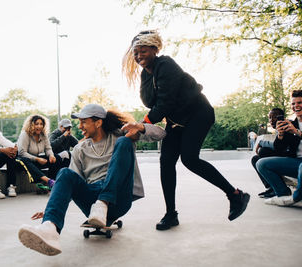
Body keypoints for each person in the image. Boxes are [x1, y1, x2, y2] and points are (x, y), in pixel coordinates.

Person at [121, 30, 250, 230]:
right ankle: (171, 214)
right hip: (176, 121)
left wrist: (142, 124)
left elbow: (164, 103)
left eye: (143, 51)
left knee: (189, 159)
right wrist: (148, 77)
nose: (138, 57)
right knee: (166, 161)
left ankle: (235, 195)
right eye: (135, 53)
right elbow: (148, 101)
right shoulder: (147, 73)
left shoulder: (166, 65)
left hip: (198, 113)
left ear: (155, 49)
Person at [18, 104, 166, 256]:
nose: (79, 126)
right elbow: (68, 184)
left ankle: (104, 202)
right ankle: (50, 229)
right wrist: (51, 210)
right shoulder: (79, 149)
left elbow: (161, 134)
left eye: (84, 122)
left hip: (118, 198)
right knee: (65, 173)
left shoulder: (120, 136)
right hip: (92, 204)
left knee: (124, 142)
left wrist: (140, 127)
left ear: (98, 122)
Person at [256, 90, 302, 206]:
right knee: (261, 163)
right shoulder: (291, 123)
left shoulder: (294, 128)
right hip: (296, 162)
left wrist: (296, 132)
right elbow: (279, 147)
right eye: (293, 104)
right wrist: (281, 134)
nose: (296, 106)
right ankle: (283, 194)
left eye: (299, 102)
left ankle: (295, 199)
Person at [17, 114, 62, 189]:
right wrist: (37, 159)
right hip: (22, 161)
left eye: (41, 124)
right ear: (31, 125)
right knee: (25, 160)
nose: (39, 126)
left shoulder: (43, 135)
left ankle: (52, 183)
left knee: (57, 158)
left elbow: (48, 148)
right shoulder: (25, 134)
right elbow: (21, 153)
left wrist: (51, 155)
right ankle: (48, 181)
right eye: (36, 124)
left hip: (35, 160)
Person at [251, 108, 285, 198]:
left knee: (264, 151)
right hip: (283, 154)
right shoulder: (278, 129)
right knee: (255, 159)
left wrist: (261, 143)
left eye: (274, 117)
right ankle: (271, 187)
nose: (271, 120)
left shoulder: (286, 127)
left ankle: (277, 187)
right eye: (270, 118)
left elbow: (278, 146)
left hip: (289, 156)